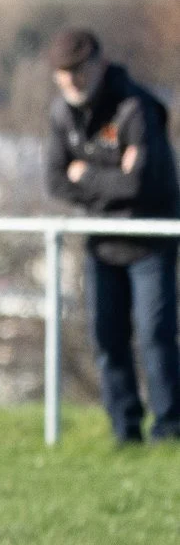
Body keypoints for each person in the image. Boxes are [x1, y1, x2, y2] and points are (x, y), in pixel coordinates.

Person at [43, 27, 180, 444]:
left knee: (155, 336)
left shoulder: (134, 108)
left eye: (77, 71)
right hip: (100, 240)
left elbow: (138, 185)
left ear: (98, 64)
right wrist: (111, 179)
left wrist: (86, 175)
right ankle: (125, 431)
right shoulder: (62, 113)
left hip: (150, 239)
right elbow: (55, 182)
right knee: (107, 335)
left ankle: (169, 429)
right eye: (61, 73)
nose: (70, 81)